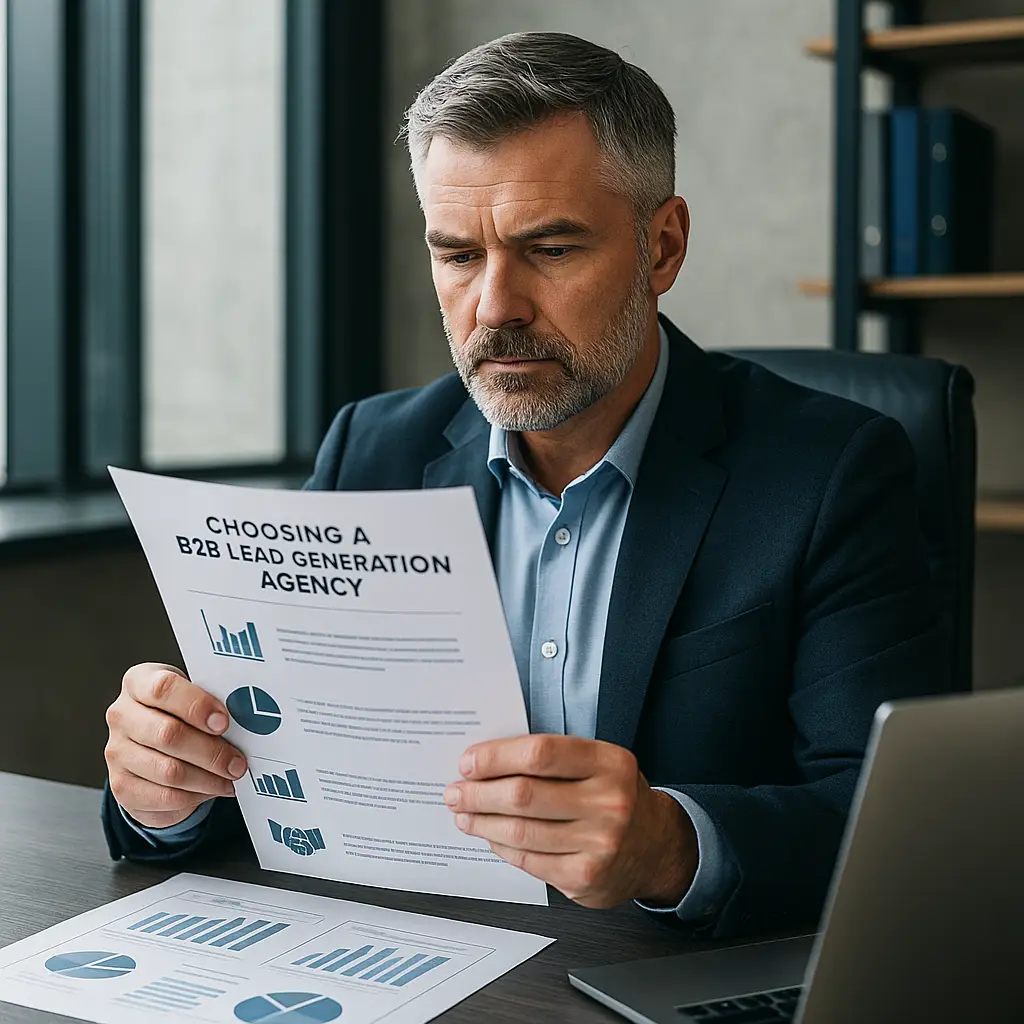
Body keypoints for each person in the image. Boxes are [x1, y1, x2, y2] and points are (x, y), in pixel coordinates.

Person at [102, 32, 945, 938]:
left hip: (658, 968)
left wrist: (671, 846)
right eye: (459, 255)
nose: (495, 307)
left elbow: (895, 826)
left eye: (549, 248)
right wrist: (167, 790)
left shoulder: (832, 471)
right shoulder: (371, 453)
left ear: (661, 248)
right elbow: (286, 773)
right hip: (415, 948)